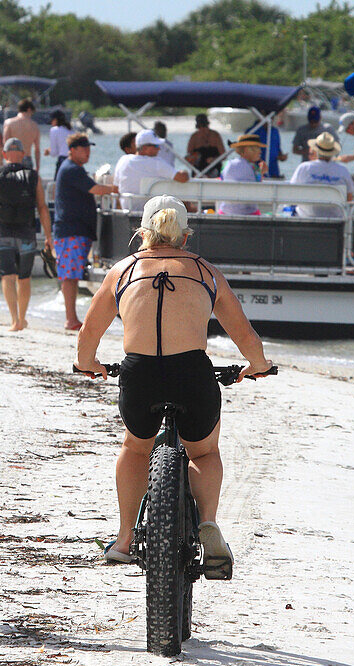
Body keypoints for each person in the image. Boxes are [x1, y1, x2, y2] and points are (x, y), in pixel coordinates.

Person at [75, 195, 273, 567]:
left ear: (143, 233)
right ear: (185, 236)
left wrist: (88, 363)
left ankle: (123, 540)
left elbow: (88, 332)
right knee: (203, 451)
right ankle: (209, 522)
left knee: (136, 448)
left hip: (140, 375)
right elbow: (244, 334)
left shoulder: (121, 271)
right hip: (192, 375)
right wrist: (257, 365)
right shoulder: (206, 271)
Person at [0, 138, 51, 331]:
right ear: (23, 155)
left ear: (5, 155)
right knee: (24, 278)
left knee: (7, 277)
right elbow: (42, 208)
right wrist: (48, 236)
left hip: (2, 233)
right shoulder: (33, 176)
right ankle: (23, 319)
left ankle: (14, 319)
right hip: (26, 234)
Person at [54, 133, 119, 331]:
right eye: (83, 149)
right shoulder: (72, 169)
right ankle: (71, 319)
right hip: (71, 230)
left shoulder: (73, 168)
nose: (88, 152)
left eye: (89, 149)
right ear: (72, 150)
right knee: (70, 276)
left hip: (73, 229)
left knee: (71, 275)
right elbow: (97, 189)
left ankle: (71, 318)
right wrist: (117, 188)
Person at [113, 129, 188, 210]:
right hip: (150, 213)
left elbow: (115, 189)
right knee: (184, 203)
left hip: (127, 210)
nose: (159, 149)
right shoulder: (156, 163)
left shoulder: (123, 160)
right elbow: (182, 178)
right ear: (145, 148)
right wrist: (185, 172)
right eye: (156, 146)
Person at [288, 131, 354, 218]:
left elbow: (291, 193)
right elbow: (349, 198)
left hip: (306, 219)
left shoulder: (304, 168)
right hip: (335, 222)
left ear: (315, 150)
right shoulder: (343, 171)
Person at [217, 133, 266, 215]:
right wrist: (262, 172)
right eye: (257, 148)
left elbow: (222, 179)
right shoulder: (254, 168)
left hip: (225, 211)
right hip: (249, 212)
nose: (260, 151)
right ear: (247, 150)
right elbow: (258, 188)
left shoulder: (226, 164)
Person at [3, 98, 41, 171]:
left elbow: (5, 143)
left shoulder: (9, 123)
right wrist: (38, 167)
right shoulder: (34, 126)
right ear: (29, 110)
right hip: (27, 158)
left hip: (12, 157)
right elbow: (37, 149)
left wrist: (5, 160)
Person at [45, 110, 73, 175]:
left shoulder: (54, 130)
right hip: (74, 160)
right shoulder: (71, 130)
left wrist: (48, 151)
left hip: (63, 160)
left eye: (51, 121)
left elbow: (54, 153)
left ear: (55, 120)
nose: (51, 123)